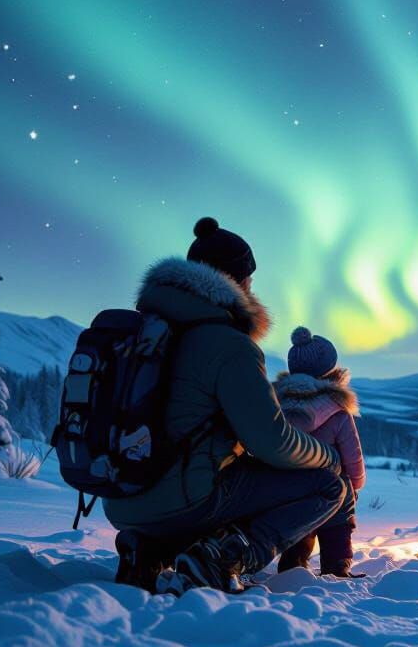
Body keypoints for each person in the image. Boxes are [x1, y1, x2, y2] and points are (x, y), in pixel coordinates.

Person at [105, 217, 349, 594]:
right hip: (186, 498)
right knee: (328, 485)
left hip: (123, 500)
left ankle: (150, 549)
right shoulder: (228, 343)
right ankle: (225, 555)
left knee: (213, 476)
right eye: (250, 279)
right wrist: (327, 456)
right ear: (239, 281)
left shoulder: (144, 332)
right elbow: (272, 440)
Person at [273, 326, 366, 577]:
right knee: (339, 518)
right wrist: (356, 483)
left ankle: (293, 564)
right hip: (332, 484)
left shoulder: (276, 403)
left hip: (287, 483)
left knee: (299, 522)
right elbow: (352, 455)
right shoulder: (337, 410)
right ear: (331, 370)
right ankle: (336, 565)